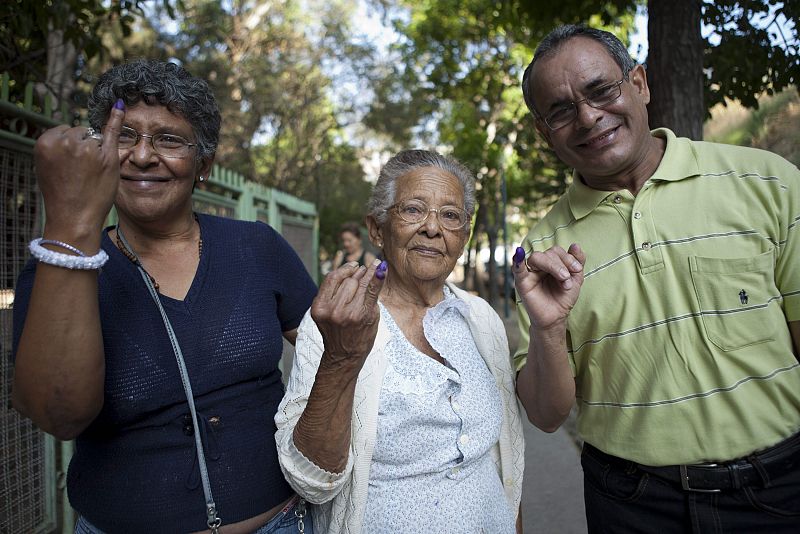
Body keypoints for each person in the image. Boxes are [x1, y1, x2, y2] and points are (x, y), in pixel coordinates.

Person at [513, 24, 800, 533]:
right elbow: (545, 414)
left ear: (640, 84)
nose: (588, 117)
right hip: (631, 506)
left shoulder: (768, 183)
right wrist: (549, 329)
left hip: (779, 491)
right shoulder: (540, 255)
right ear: (544, 132)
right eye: (561, 110)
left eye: (601, 90)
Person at [11, 59, 317, 534]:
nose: (141, 155)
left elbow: (332, 358)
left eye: (169, 140)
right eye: (123, 137)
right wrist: (71, 225)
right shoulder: (59, 267)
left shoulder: (256, 247)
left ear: (204, 166)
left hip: (281, 523)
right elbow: (59, 416)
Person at [275, 149, 525, 533]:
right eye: (413, 210)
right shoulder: (339, 322)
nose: (432, 228)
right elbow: (310, 481)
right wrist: (342, 357)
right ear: (377, 230)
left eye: (450, 215)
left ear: (463, 236)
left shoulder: (481, 318)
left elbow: (505, 462)